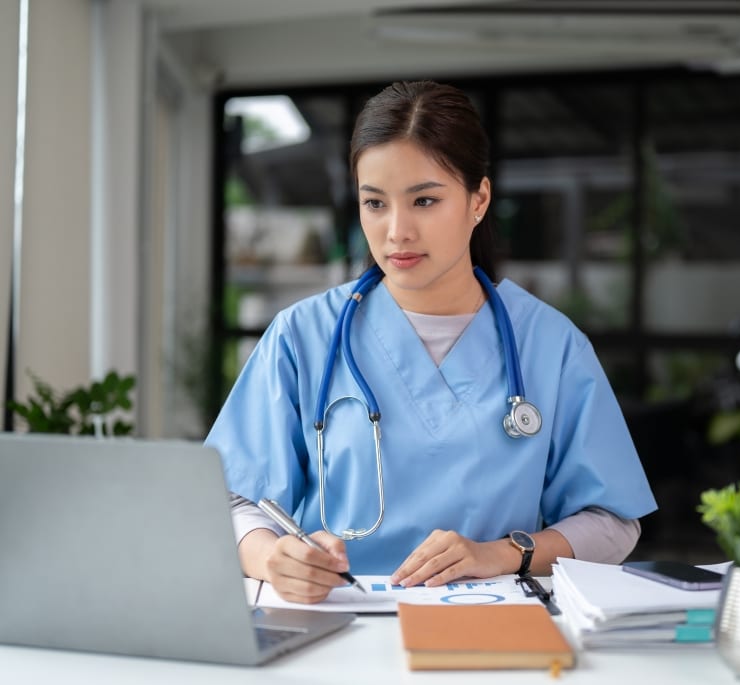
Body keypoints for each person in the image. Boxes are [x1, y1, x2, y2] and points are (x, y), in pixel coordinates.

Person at [205, 80, 657, 605]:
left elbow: (613, 523)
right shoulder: (302, 336)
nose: (397, 231)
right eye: (375, 203)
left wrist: (503, 553)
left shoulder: (551, 346)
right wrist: (271, 558)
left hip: (492, 625)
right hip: (336, 621)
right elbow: (229, 500)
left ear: (478, 200)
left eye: (424, 200)